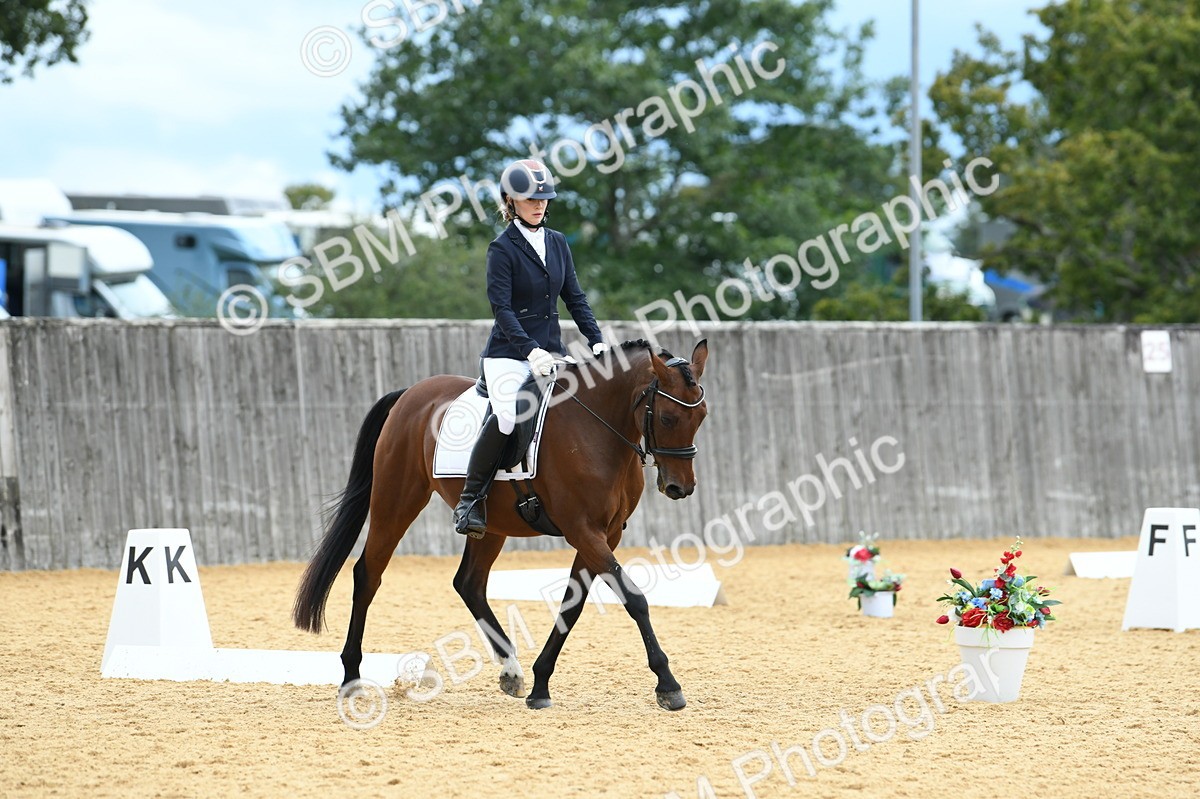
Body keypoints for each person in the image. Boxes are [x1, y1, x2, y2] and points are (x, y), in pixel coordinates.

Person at [453, 159, 610, 537]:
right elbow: (502, 309)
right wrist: (530, 351)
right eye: (529, 200)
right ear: (510, 200)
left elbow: (574, 297)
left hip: (552, 351)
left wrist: (597, 339)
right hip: (508, 354)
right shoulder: (502, 248)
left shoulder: (557, 242)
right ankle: (470, 500)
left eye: (544, 199)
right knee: (509, 415)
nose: (539, 205)